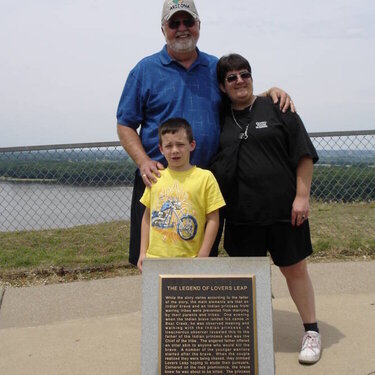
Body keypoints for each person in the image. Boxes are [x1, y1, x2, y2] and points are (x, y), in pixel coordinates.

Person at [116, 0, 294, 266]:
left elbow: (240, 94)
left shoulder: (215, 68)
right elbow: (125, 123)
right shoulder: (144, 70)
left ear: (199, 25)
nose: (182, 28)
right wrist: (143, 161)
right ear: (163, 28)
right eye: (174, 23)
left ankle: (196, 308)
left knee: (202, 259)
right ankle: (160, 308)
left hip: (205, 181)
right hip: (158, 180)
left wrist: (268, 94)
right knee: (154, 259)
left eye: (188, 22)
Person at [213, 53, 321, 364]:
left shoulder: (278, 108)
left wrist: (302, 197)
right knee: (247, 276)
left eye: (244, 74)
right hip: (241, 215)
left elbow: (303, 155)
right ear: (222, 86)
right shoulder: (220, 116)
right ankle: (251, 334)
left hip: (284, 211)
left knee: (294, 269)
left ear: (251, 76)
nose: (239, 81)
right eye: (231, 78)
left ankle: (311, 331)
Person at [137, 118, 225, 272]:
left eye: (180, 144)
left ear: (192, 145)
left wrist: (204, 254)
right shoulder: (155, 177)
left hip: (191, 259)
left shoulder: (205, 178)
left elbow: (213, 219)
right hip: (155, 260)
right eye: (169, 146)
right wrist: (143, 252)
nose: (175, 150)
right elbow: (147, 216)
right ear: (161, 149)